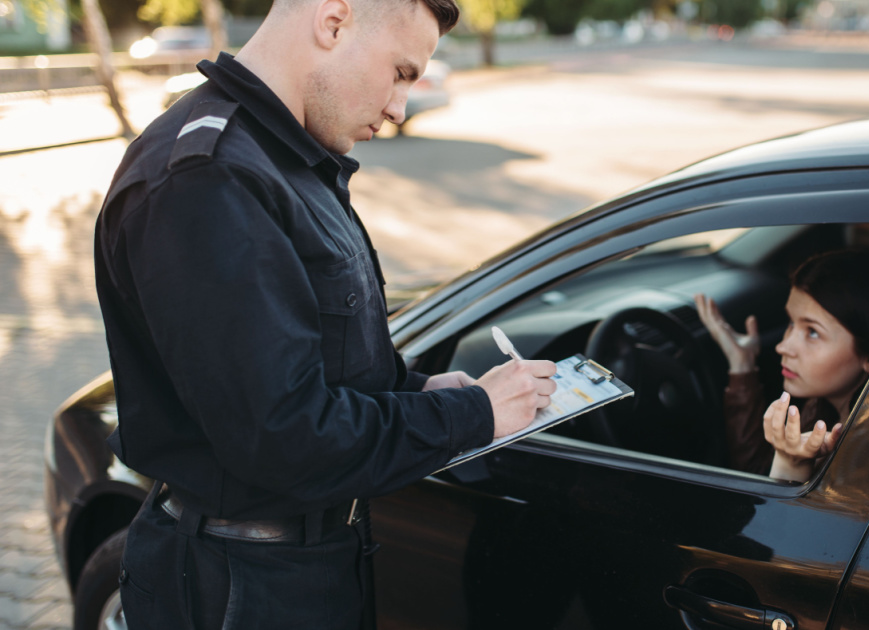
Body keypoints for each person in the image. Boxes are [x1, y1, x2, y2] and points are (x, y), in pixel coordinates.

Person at [92, 0, 557, 627]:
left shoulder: (283, 157)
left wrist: (417, 390)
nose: (398, 109)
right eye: (400, 71)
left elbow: (312, 367)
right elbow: (283, 436)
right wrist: (471, 415)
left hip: (299, 564)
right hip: (240, 586)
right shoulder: (210, 180)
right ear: (333, 21)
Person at [695, 248, 869, 481]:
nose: (783, 347)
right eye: (791, 322)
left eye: (812, 332)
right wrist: (742, 364)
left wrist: (792, 467)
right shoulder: (822, 406)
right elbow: (758, 473)